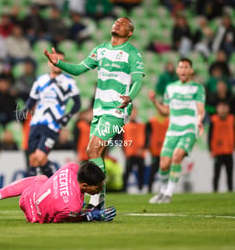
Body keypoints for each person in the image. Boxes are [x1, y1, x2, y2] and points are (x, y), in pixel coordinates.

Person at [44, 17, 144, 210]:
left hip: (117, 109)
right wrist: (59, 63)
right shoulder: (101, 49)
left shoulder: (132, 53)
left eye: (124, 23)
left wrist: (129, 97)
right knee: (97, 155)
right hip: (100, 109)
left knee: (92, 150)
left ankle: (95, 200)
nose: (118, 24)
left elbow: (138, 80)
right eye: (116, 21)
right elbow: (79, 69)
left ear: (130, 33)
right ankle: (100, 200)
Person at [0, 161, 117, 223]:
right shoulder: (73, 206)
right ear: (85, 185)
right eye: (97, 186)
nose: (100, 189)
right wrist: (91, 216)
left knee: (42, 178)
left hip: (29, 194)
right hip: (33, 216)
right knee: (71, 205)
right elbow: (63, 220)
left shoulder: (71, 167)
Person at [148, 57, 205, 204]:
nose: (183, 70)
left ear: (191, 70)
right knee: (163, 164)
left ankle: (168, 194)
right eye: (181, 67)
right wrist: (155, 102)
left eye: (186, 67)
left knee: (176, 156)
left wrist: (199, 122)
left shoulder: (197, 88)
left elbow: (200, 109)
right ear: (177, 70)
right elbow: (165, 111)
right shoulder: (170, 88)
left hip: (189, 130)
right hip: (173, 130)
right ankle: (161, 192)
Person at [18, 50, 81, 177]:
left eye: (61, 61)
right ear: (49, 62)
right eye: (54, 60)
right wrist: (24, 111)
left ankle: (56, 177)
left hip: (53, 124)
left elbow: (77, 104)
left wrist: (67, 117)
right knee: (33, 160)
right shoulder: (40, 80)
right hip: (35, 123)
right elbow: (31, 100)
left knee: (40, 157)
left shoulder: (69, 81)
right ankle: (34, 194)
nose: (57, 63)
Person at [208, 102, 234, 192]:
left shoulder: (232, 119)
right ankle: (215, 191)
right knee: (216, 174)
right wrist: (210, 149)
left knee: (229, 174)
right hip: (217, 152)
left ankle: (230, 191)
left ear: (228, 109)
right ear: (217, 109)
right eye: (221, 107)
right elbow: (209, 136)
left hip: (228, 151)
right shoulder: (213, 120)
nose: (223, 110)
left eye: (225, 107)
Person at [121, 107, 146, 193]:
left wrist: (142, 149)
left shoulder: (142, 125)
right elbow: (121, 140)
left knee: (141, 171)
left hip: (140, 153)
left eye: (134, 113)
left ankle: (141, 188)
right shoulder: (125, 126)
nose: (133, 115)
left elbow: (146, 139)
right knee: (127, 171)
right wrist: (124, 151)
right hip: (129, 153)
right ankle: (124, 189)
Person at [146, 113, 169, 193]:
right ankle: (149, 188)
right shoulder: (152, 121)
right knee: (153, 171)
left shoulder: (169, 121)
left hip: (166, 150)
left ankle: (165, 189)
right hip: (155, 151)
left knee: (166, 171)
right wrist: (148, 146)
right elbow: (147, 135)